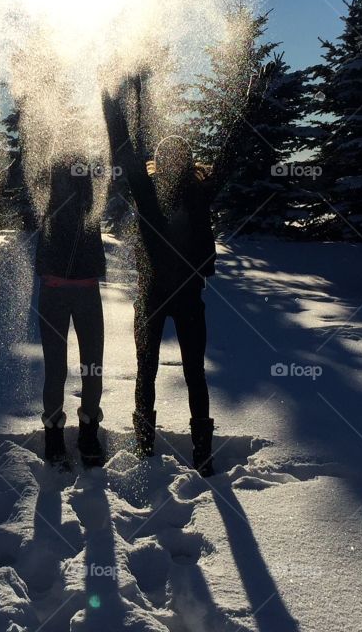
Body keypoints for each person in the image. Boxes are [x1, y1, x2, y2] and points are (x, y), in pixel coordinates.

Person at [102, 72, 253, 477]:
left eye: (176, 156)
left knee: (183, 372)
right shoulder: (154, 191)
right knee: (157, 369)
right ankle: (152, 446)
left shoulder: (194, 193)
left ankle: (184, 450)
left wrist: (254, 94)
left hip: (179, 296)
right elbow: (125, 149)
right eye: (166, 156)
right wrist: (108, 97)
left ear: (184, 163)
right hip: (159, 295)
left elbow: (230, 152)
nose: (170, 161)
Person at [27, 143, 109, 469]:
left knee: (88, 368)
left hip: (79, 289)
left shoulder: (90, 197)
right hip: (60, 291)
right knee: (61, 369)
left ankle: (84, 432)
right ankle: (57, 434)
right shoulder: (49, 197)